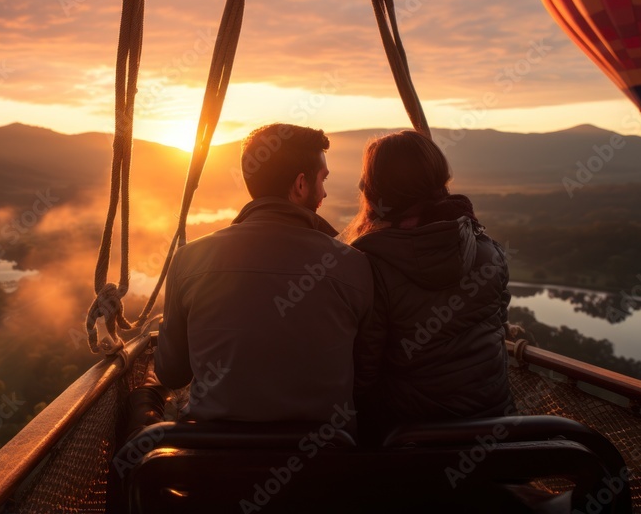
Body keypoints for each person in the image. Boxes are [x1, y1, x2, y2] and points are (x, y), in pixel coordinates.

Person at [153, 123, 374, 429]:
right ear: (300, 184)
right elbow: (367, 374)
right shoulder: (352, 264)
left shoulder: (190, 259)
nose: (324, 192)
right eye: (322, 179)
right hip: (324, 462)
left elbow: (171, 373)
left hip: (210, 459)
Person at [341, 130, 514, 446]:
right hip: (494, 431)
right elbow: (498, 330)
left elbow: (364, 372)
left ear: (377, 190)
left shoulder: (369, 264)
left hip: (409, 440)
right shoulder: (488, 251)